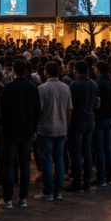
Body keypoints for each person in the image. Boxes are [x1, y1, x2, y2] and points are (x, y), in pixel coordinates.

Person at [0, 59, 40, 208]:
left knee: (8, 163)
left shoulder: (8, 88)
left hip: (10, 129)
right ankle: (23, 198)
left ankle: (7, 198)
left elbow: (2, 109)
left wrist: (1, 124)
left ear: (13, 70)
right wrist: (34, 128)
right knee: (25, 163)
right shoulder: (33, 88)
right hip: (27, 129)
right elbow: (38, 110)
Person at [37, 62, 71, 200]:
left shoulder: (42, 88)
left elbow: (39, 110)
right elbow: (69, 110)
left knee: (46, 161)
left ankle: (48, 192)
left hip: (46, 128)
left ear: (46, 72)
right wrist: (66, 126)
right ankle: (58, 191)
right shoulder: (66, 87)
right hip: (62, 128)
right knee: (59, 160)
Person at [65, 60, 98, 192]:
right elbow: (97, 103)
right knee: (88, 152)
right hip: (90, 120)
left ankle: (77, 182)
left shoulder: (75, 84)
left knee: (76, 154)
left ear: (76, 70)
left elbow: (71, 106)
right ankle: (87, 182)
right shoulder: (94, 84)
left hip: (78, 121)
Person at [92, 60, 111, 185]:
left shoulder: (96, 83)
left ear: (98, 69)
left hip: (100, 118)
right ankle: (110, 176)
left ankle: (100, 177)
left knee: (100, 148)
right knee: (108, 146)